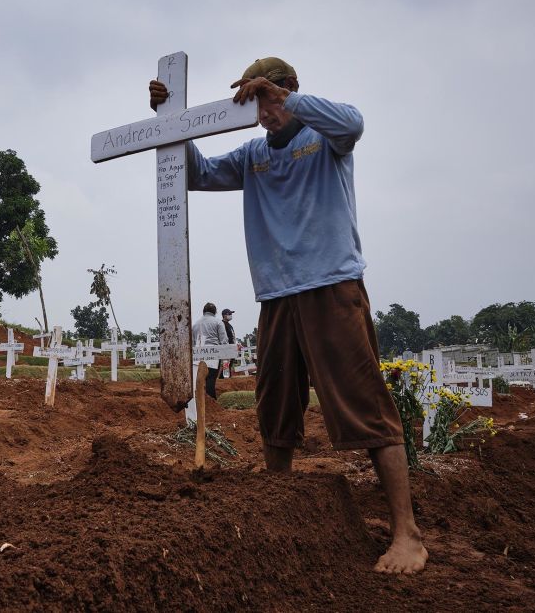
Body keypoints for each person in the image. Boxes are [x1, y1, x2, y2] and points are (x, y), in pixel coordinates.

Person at [149, 57, 427, 574]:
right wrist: (172, 122)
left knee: (365, 403)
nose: (264, 113)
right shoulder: (253, 155)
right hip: (275, 297)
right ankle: (280, 508)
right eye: (255, 105)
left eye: (271, 100)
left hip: (331, 287)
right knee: (275, 405)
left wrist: (284, 99)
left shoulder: (326, 139)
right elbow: (198, 173)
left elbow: (355, 122)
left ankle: (406, 533)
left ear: (291, 91)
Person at [191, 302, 228, 399]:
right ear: (215, 312)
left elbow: (192, 342)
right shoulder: (218, 322)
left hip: (198, 354)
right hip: (213, 353)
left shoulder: (195, 324)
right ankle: (211, 402)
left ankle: (197, 402)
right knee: (210, 379)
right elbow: (224, 340)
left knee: (198, 380)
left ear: (203, 311)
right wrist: (226, 357)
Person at [220, 308, 237, 378]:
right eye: (229, 314)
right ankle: (223, 378)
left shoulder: (229, 325)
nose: (231, 315)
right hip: (227, 347)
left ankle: (226, 377)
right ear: (224, 315)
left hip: (232, 347)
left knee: (229, 364)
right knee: (226, 364)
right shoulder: (222, 324)